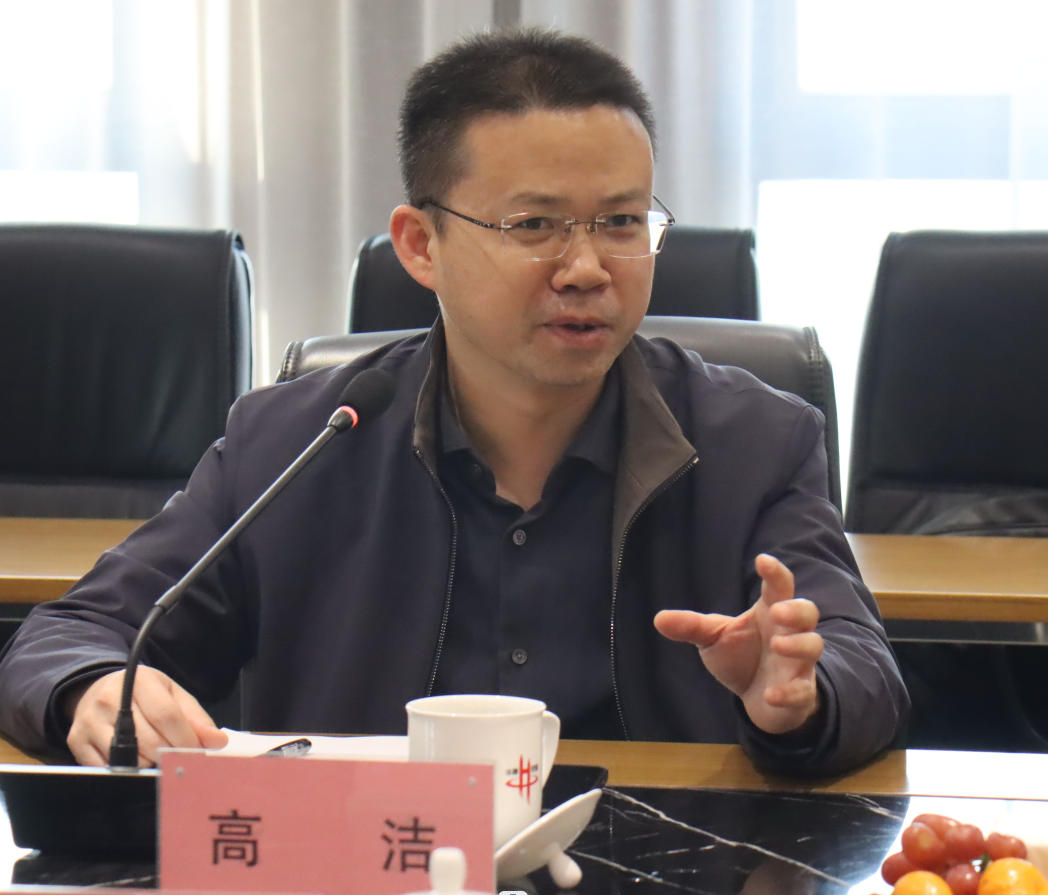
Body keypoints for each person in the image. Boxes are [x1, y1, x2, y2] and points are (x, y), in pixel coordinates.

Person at [0, 28, 907, 773]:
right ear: (420, 245)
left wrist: (797, 696)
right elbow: (73, 636)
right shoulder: (297, 439)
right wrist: (94, 687)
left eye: (622, 221)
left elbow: (863, 668)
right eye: (534, 224)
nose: (586, 267)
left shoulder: (755, 440)